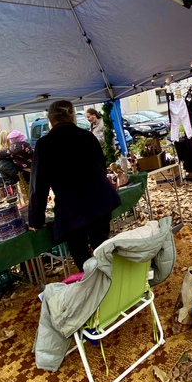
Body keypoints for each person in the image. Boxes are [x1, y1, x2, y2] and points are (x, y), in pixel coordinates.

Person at [29, 100, 121, 272]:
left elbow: (38, 185)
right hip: (99, 199)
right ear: (72, 116)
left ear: (50, 119)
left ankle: (95, 282)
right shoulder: (87, 136)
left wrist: (36, 219)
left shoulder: (45, 144)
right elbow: (101, 166)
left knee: (81, 254)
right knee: (103, 249)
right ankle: (114, 280)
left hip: (72, 207)